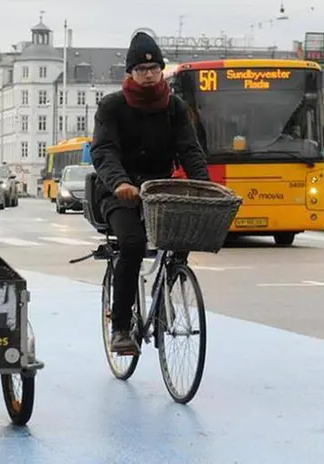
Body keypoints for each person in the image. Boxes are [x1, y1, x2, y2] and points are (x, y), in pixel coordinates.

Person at [90, 32, 210, 353]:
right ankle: (120, 328)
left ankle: (168, 283)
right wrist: (120, 184)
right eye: (141, 70)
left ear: (161, 71)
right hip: (119, 193)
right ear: (129, 73)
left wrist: (205, 186)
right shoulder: (112, 106)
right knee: (132, 244)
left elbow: (190, 150)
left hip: (159, 191)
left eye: (154, 68)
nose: (148, 74)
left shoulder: (175, 107)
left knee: (182, 239)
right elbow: (104, 151)